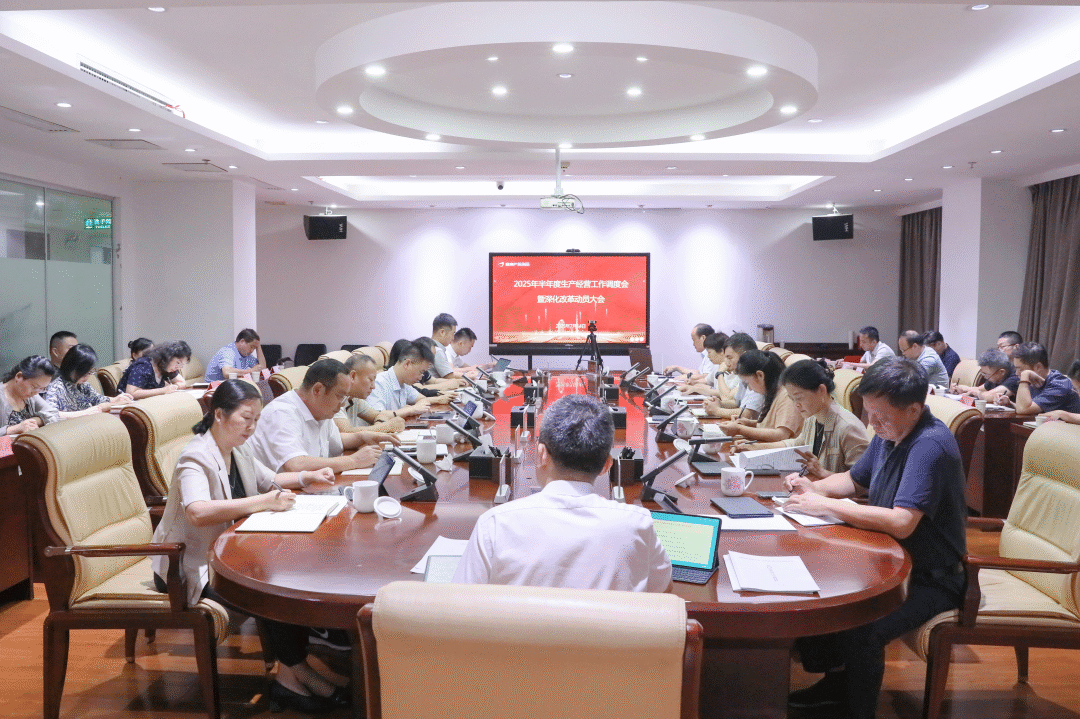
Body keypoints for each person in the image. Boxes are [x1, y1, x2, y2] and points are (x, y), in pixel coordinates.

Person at [783, 358, 966, 719]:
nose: (873, 424)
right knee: (821, 593)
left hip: (932, 577)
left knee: (862, 626)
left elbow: (902, 522)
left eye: (880, 417)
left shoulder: (929, 445)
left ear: (913, 410)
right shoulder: (891, 433)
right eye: (868, 414)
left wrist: (826, 505)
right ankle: (836, 687)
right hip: (891, 560)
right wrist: (813, 489)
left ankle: (857, 709)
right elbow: (854, 480)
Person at [150, 379, 346, 713]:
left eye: (256, 419)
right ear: (219, 414)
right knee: (270, 591)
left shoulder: (238, 448)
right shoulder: (195, 456)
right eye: (245, 418)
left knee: (286, 580)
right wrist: (261, 503)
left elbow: (270, 480)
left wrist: (306, 478)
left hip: (227, 554)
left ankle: (292, 675)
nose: (252, 427)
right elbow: (197, 511)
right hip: (187, 567)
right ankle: (296, 675)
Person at [454, 394, 672, 591]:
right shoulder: (637, 524)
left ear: (542, 454)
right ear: (607, 465)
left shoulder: (494, 525)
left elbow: (460, 604)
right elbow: (663, 589)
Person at [248, 358, 393, 473]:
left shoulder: (320, 409)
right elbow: (295, 465)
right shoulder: (281, 413)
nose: (343, 404)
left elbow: (336, 441)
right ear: (318, 389)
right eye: (340, 396)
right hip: (278, 495)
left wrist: (363, 436)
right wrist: (353, 461)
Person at [746, 359, 870, 478]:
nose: (796, 405)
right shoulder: (813, 417)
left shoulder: (848, 427)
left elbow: (863, 482)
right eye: (792, 399)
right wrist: (754, 448)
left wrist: (822, 472)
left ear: (821, 390)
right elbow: (797, 443)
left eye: (799, 398)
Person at [719, 349, 802, 444]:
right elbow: (770, 425)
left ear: (760, 375)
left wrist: (739, 429)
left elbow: (781, 434)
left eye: (748, 383)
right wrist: (748, 423)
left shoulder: (787, 395)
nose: (750, 388)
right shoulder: (773, 392)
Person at [43, 344, 133, 416]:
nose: (87, 377)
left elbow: (97, 399)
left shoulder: (82, 384)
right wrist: (85, 412)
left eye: (90, 372)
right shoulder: (56, 386)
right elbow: (50, 414)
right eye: (83, 373)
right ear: (71, 368)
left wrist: (116, 399)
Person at [333, 353, 405, 433]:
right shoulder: (335, 397)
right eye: (370, 379)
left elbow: (379, 415)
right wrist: (386, 427)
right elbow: (346, 433)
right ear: (353, 376)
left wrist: (380, 426)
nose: (373, 386)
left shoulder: (354, 398)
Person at [1006, 342, 1080, 416]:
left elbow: (1023, 409)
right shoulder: (1034, 381)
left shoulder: (1059, 384)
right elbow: (1026, 408)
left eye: (1020, 369)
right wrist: (1010, 404)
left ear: (1038, 367)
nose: (1017, 373)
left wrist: (1025, 376)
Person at [703, 332, 766, 419]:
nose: (726, 363)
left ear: (745, 355)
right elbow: (736, 403)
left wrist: (717, 410)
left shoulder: (757, 376)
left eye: (730, 358)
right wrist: (720, 403)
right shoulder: (743, 375)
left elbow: (746, 414)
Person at [368, 340, 436, 418]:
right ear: (407, 364)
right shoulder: (378, 383)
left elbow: (423, 399)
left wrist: (414, 408)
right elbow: (376, 416)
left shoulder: (404, 383)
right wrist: (410, 410)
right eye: (421, 372)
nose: (421, 377)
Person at [2, 356, 59, 436]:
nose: (36, 392)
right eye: (34, 387)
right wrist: (14, 429)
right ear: (19, 376)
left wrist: (34, 421)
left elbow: (53, 413)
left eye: (41, 389)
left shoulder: (30, 396)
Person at [117, 340, 192, 399]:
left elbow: (182, 383)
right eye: (178, 363)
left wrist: (174, 387)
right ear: (168, 357)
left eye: (181, 365)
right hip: (127, 406)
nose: (178, 367)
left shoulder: (167, 367)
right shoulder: (143, 365)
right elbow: (131, 393)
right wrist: (164, 390)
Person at [952, 348, 1020, 402]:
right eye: (983, 373)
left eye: (986, 374)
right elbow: (978, 389)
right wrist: (960, 388)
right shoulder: (994, 377)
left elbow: (990, 396)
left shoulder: (1015, 377)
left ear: (1001, 372)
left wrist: (976, 393)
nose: (985, 377)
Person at [679, 331, 730, 397]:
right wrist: (693, 382)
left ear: (721, 351)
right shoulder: (717, 366)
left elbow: (726, 393)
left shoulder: (732, 369)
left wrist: (696, 388)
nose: (708, 356)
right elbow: (707, 380)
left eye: (709, 352)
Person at [429, 312, 459, 380]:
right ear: (442, 332)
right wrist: (471, 377)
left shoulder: (429, 345)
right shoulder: (437, 350)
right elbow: (450, 377)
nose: (453, 338)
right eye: (453, 333)